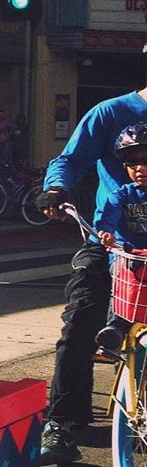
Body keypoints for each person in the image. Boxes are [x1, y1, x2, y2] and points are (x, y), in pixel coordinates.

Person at [37, 62, 147, 466]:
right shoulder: (111, 113)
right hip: (112, 242)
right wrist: (55, 189)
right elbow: (70, 160)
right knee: (81, 321)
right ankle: (62, 424)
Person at [93, 124, 147, 358]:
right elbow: (108, 219)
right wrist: (106, 233)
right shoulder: (122, 195)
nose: (140, 168)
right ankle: (113, 333)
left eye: (146, 161)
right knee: (122, 283)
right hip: (133, 259)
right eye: (132, 163)